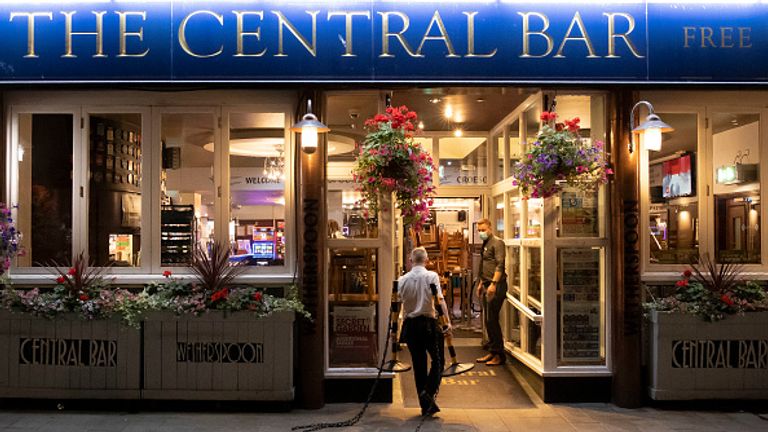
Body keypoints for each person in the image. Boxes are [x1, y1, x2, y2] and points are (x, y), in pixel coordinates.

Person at [398, 247, 450, 417]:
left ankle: (425, 406)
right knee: (439, 360)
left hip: (411, 325)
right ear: (426, 260)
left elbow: (397, 304)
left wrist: (394, 328)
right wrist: (447, 322)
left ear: (411, 261)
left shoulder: (402, 280)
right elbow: (440, 301)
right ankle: (428, 392)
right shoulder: (431, 276)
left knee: (419, 365)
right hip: (429, 324)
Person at [474, 218, 507, 366]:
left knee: (492, 320)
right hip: (486, 284)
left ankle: (499, 355)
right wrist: (481, 283)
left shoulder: (497, 243)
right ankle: (493, 351)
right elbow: (485, 264)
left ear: (490, 228)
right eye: (479, 231)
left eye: (483, 230)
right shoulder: (486, 243)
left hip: (496, 286)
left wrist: (493, 284)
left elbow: (500, 265)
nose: (481, 233)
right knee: (488, 320)